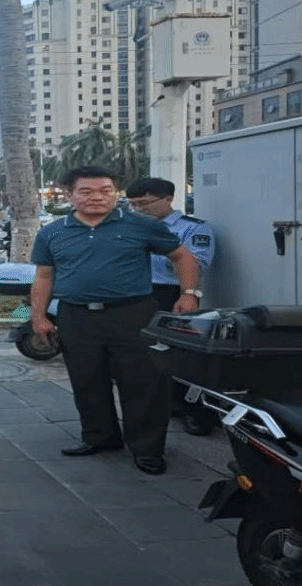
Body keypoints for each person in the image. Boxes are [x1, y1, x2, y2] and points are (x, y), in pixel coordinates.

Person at [30, 166, 202, 476]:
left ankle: (147, 449)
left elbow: (182, 256)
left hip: (132, 314)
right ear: (69, 195)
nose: (97, 197)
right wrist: (38, 317)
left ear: (115, 193)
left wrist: (189, 293)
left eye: (105, 191)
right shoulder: (52, 232)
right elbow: (44, 276)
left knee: (144, 383)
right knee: (87, 381)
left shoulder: (140, 225)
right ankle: (100, 437)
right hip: (76, 316)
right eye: (86, 191)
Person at [126, 177, 217, 436]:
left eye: (145, 203)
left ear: (168, 199)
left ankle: (196, 412)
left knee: (181, 353)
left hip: (174, 293)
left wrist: (162, 249)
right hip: (139, 293)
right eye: (134, 204)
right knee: (147, 354)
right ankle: (168, 404)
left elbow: (196, 263)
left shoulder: (193, 228)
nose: (139, 209)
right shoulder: (130, 227)